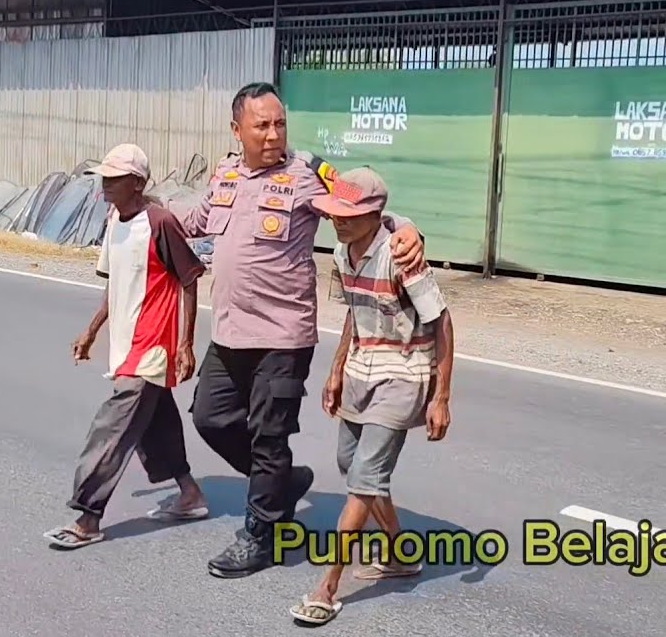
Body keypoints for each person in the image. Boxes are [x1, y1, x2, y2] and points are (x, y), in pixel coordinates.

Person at [172, 82, 428, 578]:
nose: (273, 135)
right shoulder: (225, 173)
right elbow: (196, 219)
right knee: (211, 418)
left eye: (280, 124)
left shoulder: (308, 174)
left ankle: (261, 536)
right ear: (237, 130)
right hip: (229, 331)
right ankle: (283, 484)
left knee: (268, 437)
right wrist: (150, 216)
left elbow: (366, 203)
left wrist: (406, 227)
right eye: (262, 126)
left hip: (283, 336)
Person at [288, 166, 454, 626]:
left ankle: (327, 586)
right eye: (335, 214)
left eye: (348, 215)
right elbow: (353, 313)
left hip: (404, 376)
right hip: (361, 371)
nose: (338, 222)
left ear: (375, 214)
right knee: (352, 465)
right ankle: (400, 554)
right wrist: (336, 370)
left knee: (364, 477)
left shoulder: (401, 255)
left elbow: (442, 321)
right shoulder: (342, 254)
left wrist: (441, 396)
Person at [44, 143, 210, 549]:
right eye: (104, 177)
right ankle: (189, 493)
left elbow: (189, 278)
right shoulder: (114, 219)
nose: (105, 184)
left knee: (112, 426)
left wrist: (185, 343)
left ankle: (87, 517)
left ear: (137, 183)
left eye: (114, 178)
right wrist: (91, 331)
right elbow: (114, 282)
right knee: (155, 422)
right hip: (126, 344)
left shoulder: (160, 222)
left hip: (152, 347)